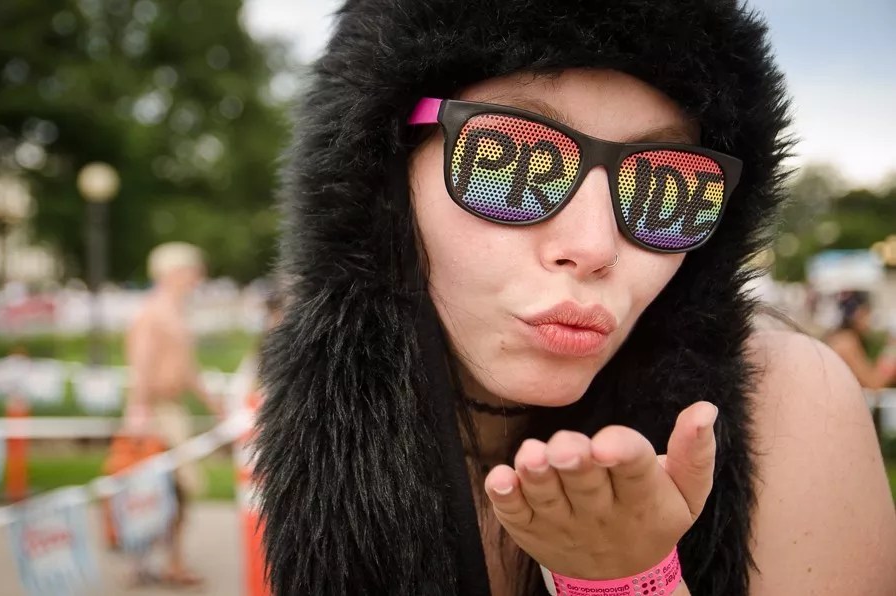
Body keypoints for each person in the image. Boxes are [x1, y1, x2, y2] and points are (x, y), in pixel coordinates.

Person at [254, 1, 896, 595]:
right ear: (384, 178)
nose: (594, 246)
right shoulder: (313, 443)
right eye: (510, 162)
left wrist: (626, 581)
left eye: (667, 186)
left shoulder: (789, 407)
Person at [120, 241, 222, 587]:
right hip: (156, 411)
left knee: (176, 488)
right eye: (193, 270)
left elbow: (188, 369)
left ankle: (170, 560)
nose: (198, 277)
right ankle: (153, 561)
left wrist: (213, 404)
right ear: (174, 272)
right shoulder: (153, 313)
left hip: (171, 410)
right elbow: (142, 366)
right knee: (157, 488)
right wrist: (139, 411)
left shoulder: (174, 313)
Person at [825, 290, 896, 438]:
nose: (870, 319)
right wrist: (891, 353)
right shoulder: (846, 342)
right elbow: (874, 384)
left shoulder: (839, 338)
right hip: (839, 421)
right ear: (858, 313)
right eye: (867, 313)